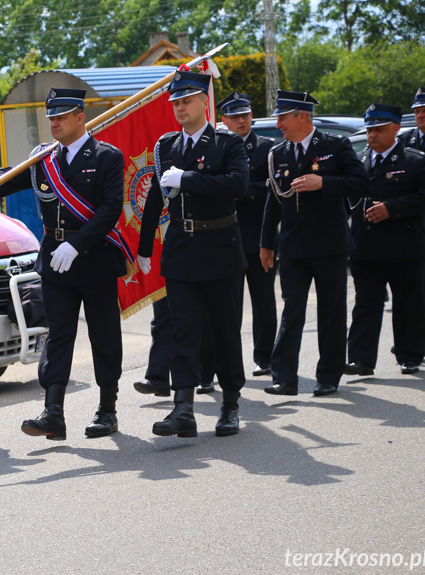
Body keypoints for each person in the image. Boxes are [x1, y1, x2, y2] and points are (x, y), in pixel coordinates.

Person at [0, 88, 127, 440]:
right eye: (51, 117)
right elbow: (11, 176)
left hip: (94, 257)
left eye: (61, 117)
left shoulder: (107, 156)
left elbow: (111, 209)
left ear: (80, 117)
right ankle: (53, 412)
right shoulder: (45, 159)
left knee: (104, 335)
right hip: (55, 258)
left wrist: (78, 244)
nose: (54, 123)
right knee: (59, 334)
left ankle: (107, 409)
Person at [137, 71, 249, 438]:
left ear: (204, 102)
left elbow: (237, 185)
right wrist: (143, 248)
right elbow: (155, 194)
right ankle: (183, 407)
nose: (180, 108)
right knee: (183, 329)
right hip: (181, 250)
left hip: (219, 248)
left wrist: (188, 179)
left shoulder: (227, 143)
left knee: (224, 330)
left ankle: (230, 403)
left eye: (186, 101)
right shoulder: (167, 145)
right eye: (175, 103)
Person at [260, 90, 369, 397]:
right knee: (292, 310)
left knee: (331, 311)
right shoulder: (277, 154)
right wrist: (266, 243)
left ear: (302, 116)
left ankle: (329, 376)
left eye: (283, 117)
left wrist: (325, 183)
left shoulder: (335, 146)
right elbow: (274, 201)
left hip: (330, 245)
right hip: (293, 247)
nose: (278, 124)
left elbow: (362, 183)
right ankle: (284, 378)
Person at [346, 103, 425, 376]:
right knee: (366, 303)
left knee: (409, 303)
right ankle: (361, 359)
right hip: (365, 246)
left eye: (380, 129)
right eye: (370, 129)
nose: (373, 135)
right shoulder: (357, 162)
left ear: (396, 129)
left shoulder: (415, 160)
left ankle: (410, 354)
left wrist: (392, 208)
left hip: (403, 245)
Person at [218, 91, 277, 377]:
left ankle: (265, 357)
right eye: (234, 117)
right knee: (229, 307)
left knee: (264, 301)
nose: (241, 121)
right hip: (226, 240)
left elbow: (272, 191)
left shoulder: (268, 149)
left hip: (259, 237)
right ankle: (230, 362)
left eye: (245, 115)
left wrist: (234, 189)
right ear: (223, 120)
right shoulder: (218, 149)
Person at [398, 87, 425, 294]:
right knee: (414, 291)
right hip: (412, 223)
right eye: (417, 111)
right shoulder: (404, 142)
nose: (420, 115)